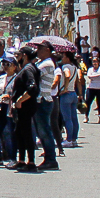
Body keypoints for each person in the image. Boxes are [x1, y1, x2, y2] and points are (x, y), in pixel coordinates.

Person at [32, 41, 60, 169]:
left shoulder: (47, 64)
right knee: (41, 130)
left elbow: (33, 74)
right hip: (40, 100)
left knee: (45, 131)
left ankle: (51, 159)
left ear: (48, 50)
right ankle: (48, 157)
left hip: (43, 100)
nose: (38, 51)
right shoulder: (41, 63)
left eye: (41, 49)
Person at [56, 51, 81, 148]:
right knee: (74, 117)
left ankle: (69, 139)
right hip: (73, 93)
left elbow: (67, 75)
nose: (62, 58)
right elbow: (78, 80)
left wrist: (65, 88)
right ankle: (74, 139)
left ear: (67, 58)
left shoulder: (65, 67)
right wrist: (80, 93)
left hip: (66, 94)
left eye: (63, 57)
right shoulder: (75, 67)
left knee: (67, 118)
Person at [84, 55, 100, 123]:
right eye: (93, 62)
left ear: (99, 62)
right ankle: (86, 116)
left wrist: (95, 77)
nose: (94, 63)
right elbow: (89, 76)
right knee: (88, 102)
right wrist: (98, 75)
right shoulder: (90, 69)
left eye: (96, 61)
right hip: (91, 88)